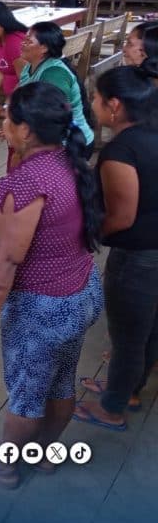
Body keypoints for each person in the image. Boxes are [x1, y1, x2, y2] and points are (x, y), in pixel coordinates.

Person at [0, 81, 103, 490]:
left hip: (44, 309)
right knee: (60, 381)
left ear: (27, 130)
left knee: (26, 395)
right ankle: (46, 456)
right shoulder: (68, 161)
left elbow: (9, 256)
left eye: (9, 115)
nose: (3, 118)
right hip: (79, 293)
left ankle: (4, 468)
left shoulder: (29, 183)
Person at [73, 65, 158, 431]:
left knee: (127, 337)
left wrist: (87, 236)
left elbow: (121, 217)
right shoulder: (152, 135)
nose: (91, 103)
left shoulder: (121, 152)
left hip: (138, 256)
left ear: (114, 105)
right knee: (150, 329)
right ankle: (128, 389)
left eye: (95, 97)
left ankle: (112, 408)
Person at [0, 22, 95, 157]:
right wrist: (4, 111)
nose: (21, 43)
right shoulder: (29, 67)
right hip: (48, 137)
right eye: (24, 39)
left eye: (28, 41)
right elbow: (18, 94)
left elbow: (54, 114)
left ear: (44, 48)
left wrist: (20, 130)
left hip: (70, 143)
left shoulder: (55, 74)